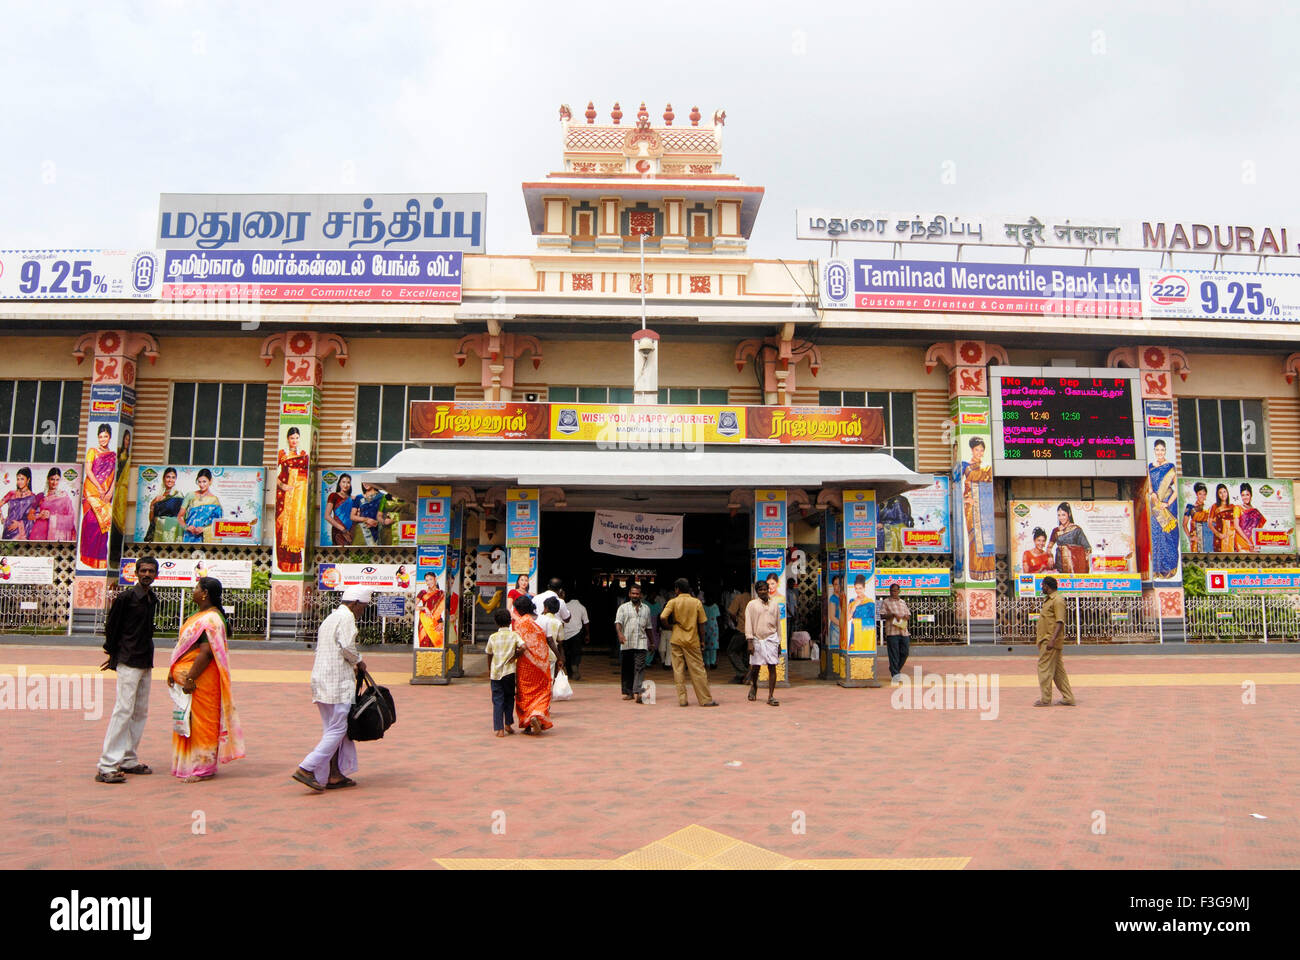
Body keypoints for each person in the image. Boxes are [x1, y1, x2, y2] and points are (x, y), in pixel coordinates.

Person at [167, 577, 245, 781]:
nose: (193, 591)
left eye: (196, 588)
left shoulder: (212, 620)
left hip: (203, 678)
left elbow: (206, 652)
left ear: (204, 594)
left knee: (202, 722)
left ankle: (203, 768)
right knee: (187, 720)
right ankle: (187, 764)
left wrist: (191, 677)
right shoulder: (198, 615)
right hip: (189, 676)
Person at [292, 587, 370, 792]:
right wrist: (360, 661)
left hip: (322, 680)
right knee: (339, 729)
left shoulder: (331, 618)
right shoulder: (346, 618)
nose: (363, 611)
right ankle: (307, 768)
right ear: (354, 603)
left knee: (332, 729)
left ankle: (334, 774)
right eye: (363, 606)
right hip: (336, 682)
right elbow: (347, 647)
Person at [94, 557, 160, 783]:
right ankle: (107, 765)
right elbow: (112, 628)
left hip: (145, 660)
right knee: (123, 710)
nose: (147, 574)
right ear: (136, 572)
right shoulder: (125, 598)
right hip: (128, 659)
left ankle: (129, 759)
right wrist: (112, 655)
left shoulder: (152, 599)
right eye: (143, 570)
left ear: (156, 574)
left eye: (151, 571)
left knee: (140, 711)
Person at [661, 577, 718, 707]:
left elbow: (663, 616)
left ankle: (682, 699)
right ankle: (705, 699)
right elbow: (702, 624)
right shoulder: (696, 602)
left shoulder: (673, 602)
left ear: (677, 589)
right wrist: (703, 641)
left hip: (676, 639)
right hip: (692, 640)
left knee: (678, 670)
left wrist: (670, 626)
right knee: (698, 670)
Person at [513, 595, 556, 734]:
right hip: (542, 663)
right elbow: (550, 641)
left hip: (525, 664)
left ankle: (527, 722)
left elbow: (517, 643)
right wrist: (560, 656)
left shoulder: (519, 623)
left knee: (524, 692)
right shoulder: (545, 620)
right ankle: (537, 714)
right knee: (543, 691)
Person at [956, 436, 995, 581]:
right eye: (977, 449)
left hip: (986, 507)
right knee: (975, 538)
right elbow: (957, 485)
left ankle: (988, 571)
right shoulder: (965, 465)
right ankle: (976, 571)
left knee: (987, 539)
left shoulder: (986, 466)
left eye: (982, 450)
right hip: (971, 507)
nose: (979, 452)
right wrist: (965, 499)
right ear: (972, 450)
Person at [1033, 576, 1075, 707]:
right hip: (1046, 639)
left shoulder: (1057, 600)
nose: (1042, 588)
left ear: (1047, 586)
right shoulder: (1049, 600)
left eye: (1043, 586)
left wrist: (1052, 639)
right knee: (1058, 672)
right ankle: (1068, 697)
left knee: (1044, 668)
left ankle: (1045, 698)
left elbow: (1060, 621)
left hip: (1050, 640)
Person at [80, 423, 116, 569]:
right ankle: (87, 558)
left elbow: (115, 476)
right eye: (100, 436)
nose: (103, 439)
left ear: (110, 437)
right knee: (91, 523)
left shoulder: (113, 456)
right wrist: (99, 488)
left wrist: (109, 492)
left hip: (106, 494)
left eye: (105, 436)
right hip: (91, 491)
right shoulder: (92, 451)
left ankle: (99, 561)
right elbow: (88, 471)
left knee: (103, 526)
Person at [485, 607, 525, 736]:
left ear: (496, 622)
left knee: (497, 700)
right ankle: (508, 724)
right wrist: (516, 656)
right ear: (509, 622)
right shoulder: (514, 635)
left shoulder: (493, 637)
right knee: (509, 698)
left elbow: (489, 653)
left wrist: (489, 668)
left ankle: (499, 729)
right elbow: (524, 646)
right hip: (510, 672)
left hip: (496, 673)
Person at [275, 426, 309, 572]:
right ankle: (283, 564)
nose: (294, 441)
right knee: (281, 527)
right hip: (283, 497)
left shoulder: (303, 455)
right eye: (292, 438)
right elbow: (274, 473)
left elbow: (307, 476)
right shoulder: (282, 454)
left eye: (296, 438)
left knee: (295, 528)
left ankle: (294, 565)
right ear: (287, 439)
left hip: (297, 499)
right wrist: (282, 485)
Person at [1146, 439, 1181, 577]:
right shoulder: (1150, 466)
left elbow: (1177, 490)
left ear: (1165, 451)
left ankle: (1170, 569)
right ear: (1154, 451)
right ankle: (1157, 570)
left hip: (1168, 504)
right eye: (1157, 450)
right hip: (1155, 505)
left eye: (1162, 450)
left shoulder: (1171, 467)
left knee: (1168, 535)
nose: (1160, 452)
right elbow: (1149, 487)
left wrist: (1167, 503)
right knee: (1156, 535)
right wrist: (1153, 496)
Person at [744, 578, 781, 706]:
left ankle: (771, 696)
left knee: (772, 666)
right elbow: (748, 623)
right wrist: (749, 641)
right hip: (757, 639)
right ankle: (754, 686)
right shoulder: (752, 605)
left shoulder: (774, 604)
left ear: (768, 590)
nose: (763, 591)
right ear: (757, 592)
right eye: (760, 590)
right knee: (755, 667)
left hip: (771, 638)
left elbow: (778, 624)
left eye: (765, 589)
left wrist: (779, 642)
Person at [615, 583, 651, 702]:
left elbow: (649, 627)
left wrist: (652, 642)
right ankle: (629, 692)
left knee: (639, 667)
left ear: (641, 595)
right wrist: (620, 634)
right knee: (627, 668)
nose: (635, 595)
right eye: (633, 593)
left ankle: (638, 692)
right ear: (630, 594)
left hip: (641, 642)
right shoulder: (623, 608)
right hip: (627, 643)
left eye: (637, 593)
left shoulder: (646, 609)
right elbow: (618, 622)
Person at [28, 466, 76, 542]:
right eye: (52, 479)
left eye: (57, 480)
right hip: (39, 532)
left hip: (55, 535)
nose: (54, 482)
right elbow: (29, 516)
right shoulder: (40, 496)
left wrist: (51, 517)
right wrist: (40, 515)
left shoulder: (64, 496)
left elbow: (71, 517)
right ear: (48, 479)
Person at [878, 582, 912, 682]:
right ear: (890, 591)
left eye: (896, 590)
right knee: (894, 654)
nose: (894, 592)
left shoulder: (902, 602)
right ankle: (895, 674)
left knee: (905, 652)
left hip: (903, 631)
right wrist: (892, 615)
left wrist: (906, 617)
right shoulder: (886, 602)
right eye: (892, 591)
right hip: (892, 632)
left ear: (899, 591)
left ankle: (894, 668)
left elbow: (908, 614)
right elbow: (882, 615)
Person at [180, 467, 223, 543]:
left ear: (210, 481)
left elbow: (218, 522)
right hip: (190, 535)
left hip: (205, 537)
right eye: (199, 482)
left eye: (204, 481)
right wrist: (187, 527)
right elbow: (180, 516)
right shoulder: (190, 495)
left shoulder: (214, 500)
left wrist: (204, 529)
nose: (201, 485)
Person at [144, 466, 184, 543]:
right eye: (168, 477)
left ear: (175, 480)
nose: (170, 480)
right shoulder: (159, 496)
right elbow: (152, 520)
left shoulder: (178, 495)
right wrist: (152, 505)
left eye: (173, 477)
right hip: (156, 532)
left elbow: (180, 518)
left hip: (171, 535)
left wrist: (161, 521)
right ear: (163, 478)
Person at [1049, 502, 1091, 572]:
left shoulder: (1077, 529)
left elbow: (1087, 548)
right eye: (1059, 515)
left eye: (1063, 515)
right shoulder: (1056, 530)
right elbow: (1049, 548)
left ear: (1069, 514)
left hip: (1075, 565)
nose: (1061, 518)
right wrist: (1050, 557)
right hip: (1060, 564)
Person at [351, 482, 396, 546]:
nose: (365, 484)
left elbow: (387, 514)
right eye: (363, 482)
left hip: (379, 530)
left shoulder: (382, 497)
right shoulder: (359, 497)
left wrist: (377, 522)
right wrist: (366, 520)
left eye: (367, 481)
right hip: (364, 530)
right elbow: (352, 516)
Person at [725, 584, 755, 681]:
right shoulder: (754, 598)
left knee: (731, 651)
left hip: (742, 628)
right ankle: (743, 675)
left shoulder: (739, 597)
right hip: (753, 630)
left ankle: (743, 672)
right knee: (746, 653)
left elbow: (732, 612)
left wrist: (736, 622)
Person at [561, 590, 590, 681]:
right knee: (576, 652)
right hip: (577, 633)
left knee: (567, 653)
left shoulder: (565, 606)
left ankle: (569, 672)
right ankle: (575, 666)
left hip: (565, 633)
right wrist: (587, 634)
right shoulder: (582, 607)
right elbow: (586, 622)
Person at [2, 466, 36, 540]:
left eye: (22, 479)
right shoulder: (11, 494)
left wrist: (19, 524)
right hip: (8, 529)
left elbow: (33, 517)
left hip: (22, 531)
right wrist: (2, 519)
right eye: (18, 479)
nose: (19, 482)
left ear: (28, 480)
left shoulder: (33, 497)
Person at [1210, 483, 1245, 553]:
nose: (1223, 495)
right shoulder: (1215, 506)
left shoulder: (1232, 507)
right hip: (1221, 537)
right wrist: (1218, 534)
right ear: (1217, 495)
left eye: (1224, 492)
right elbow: (1209, 523)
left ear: (1227, 493)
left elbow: (1238, 521)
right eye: (1220, 493)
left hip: (1232, 537)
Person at [537, 595, 566, 677]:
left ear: (545, 608)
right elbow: (560, 643)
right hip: (552, 655)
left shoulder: (539, 619)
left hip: (538, 654)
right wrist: (560, 658)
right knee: (549, 679)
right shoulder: (558, 623)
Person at [416, 572, 445, 648]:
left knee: (436, 644)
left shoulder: (441, 593)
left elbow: (439, 611)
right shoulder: (422, 592)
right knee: (424, 642)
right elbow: (414, 606)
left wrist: (441, 623)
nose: (429, 582)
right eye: (427, 580)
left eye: (430, 579)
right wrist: (424, 608)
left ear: (435, 579)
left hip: (436, 622)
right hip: (424, 622)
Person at [324, 472, 355, 546]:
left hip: (351, 531)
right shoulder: (333, 496)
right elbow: (327, 516)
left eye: (348, 482)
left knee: (351, 553)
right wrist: (342, 529)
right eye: (343, 482)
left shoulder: (352, 499)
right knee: (339, 553)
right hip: (338, 530)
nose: (345, 485)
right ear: (339, 483)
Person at [1183, 482, 1213, 552]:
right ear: (1196, 494)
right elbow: (1184, 524)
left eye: (1204, 494)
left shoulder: (1208, 508)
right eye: (1200, 494)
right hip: (1196, 537)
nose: (1202, 496)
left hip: (1207, 538)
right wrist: (1190, 537)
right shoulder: (1190, 507)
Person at [1236, 483, 1266, 552]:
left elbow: (1259, 529)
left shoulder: (1256, 511)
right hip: (1242, 543)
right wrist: (1248, 542)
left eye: (1247, 495)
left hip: (1254, 544)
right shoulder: (1238, 508)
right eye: (1243, 495)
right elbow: (1236, 526)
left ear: (1251, 495)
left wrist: (1257, 544)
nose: (1245, 497)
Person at [701, 593, 720, 668]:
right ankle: (708, 662)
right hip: (708, 628)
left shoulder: (714, 606)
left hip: (711, 628)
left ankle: (711, 662)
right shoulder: (703, 607)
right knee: (707, 645)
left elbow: (718, 618)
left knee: (712, 646)